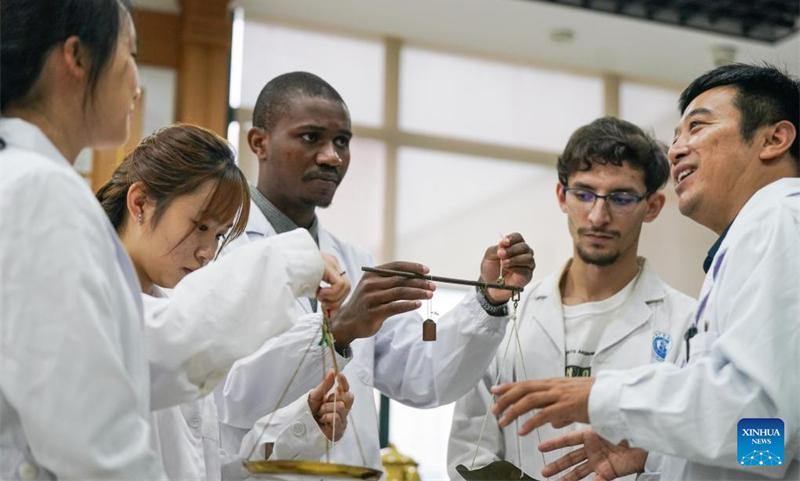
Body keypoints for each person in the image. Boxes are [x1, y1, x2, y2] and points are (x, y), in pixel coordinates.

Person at [214, 72, 535, 478]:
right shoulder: (219, 252)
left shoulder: (352, 258)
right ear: (259, 142)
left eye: (342, 141)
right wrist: (337, 331)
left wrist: (489, 299)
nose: (332, 156)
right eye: (311, 137)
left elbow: (426, 376)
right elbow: (227, 397)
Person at [492, 64, 799, 480]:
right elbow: (766, 445)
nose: (676, 149)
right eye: (677, 137)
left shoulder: (780, 218)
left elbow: (764, 425)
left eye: (697, 127)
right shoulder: (757, 232)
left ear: (773, 139)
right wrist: (657, 457)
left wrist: (604, 395)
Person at [96, 123, 353, 480]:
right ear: (140, 203)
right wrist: (292, 262)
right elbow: (179, 336)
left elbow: (206, 468)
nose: (206, 252)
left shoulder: (162, 307)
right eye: (200, 226)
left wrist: (302, 426)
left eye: (218, 235)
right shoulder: (96, 296)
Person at [447, 117, 696, 479]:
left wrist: (656, 456)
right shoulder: (508, 318)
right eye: (584, 194)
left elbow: (764, 450)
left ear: (653, 206)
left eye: (621, 198)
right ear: (562, 196)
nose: (598, 216)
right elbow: (469, 452)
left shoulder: (688, 323)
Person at [0, 0, 165, 478]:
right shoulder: (39, 191)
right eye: (130, 53)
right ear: (76, 56)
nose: (137, 83)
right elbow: (92, 443)